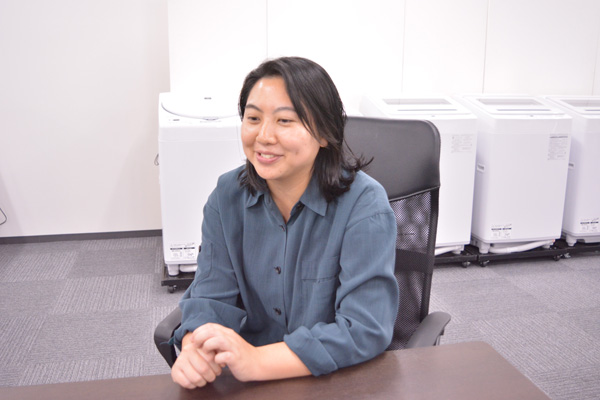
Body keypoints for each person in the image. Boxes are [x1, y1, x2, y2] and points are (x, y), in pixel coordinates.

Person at [170, 56, 399, 389]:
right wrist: (195, 346)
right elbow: (210, 299)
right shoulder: (226, 196)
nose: (263, 136)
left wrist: (257, 361)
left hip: (333, 379)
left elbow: (364, 328)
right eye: (253, 118)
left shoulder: (364, 205)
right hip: (248, 379)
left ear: (324, 133)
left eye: (285, 121)